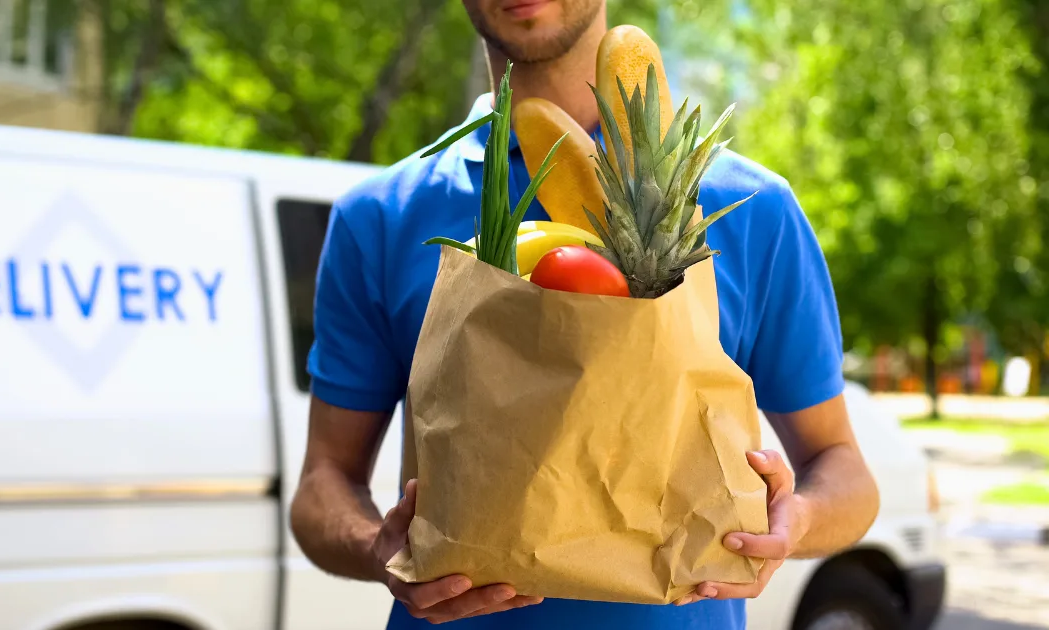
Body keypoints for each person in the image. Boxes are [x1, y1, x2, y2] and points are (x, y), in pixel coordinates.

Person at [288, 0, 881, 627]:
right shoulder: (379, 217)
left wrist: (798, 522)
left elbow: (843, 470)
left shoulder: (751, 209)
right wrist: (379, 552)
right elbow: (321, 485)